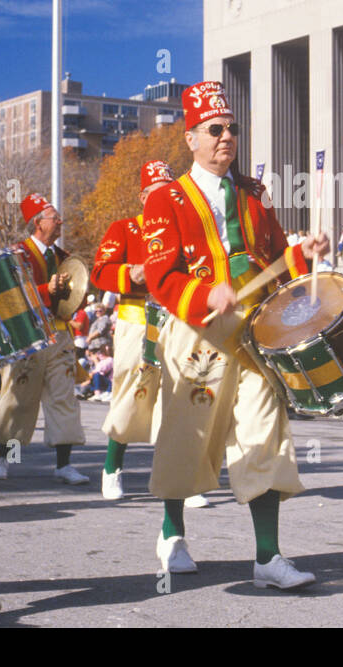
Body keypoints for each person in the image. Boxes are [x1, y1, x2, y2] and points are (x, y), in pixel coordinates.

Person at [141, 80, 329, 589]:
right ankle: (172, 529)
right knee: (188, 435)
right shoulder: (166, 199)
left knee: (265, 431)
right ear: (191, 139)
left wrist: (303, 255)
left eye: (232, 129)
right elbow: (161, 275)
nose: (226, 138)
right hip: (197, 329)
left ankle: (268, 556)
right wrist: (205, 295)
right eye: (215, 130)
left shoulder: (253, 197)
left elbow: (275, 258)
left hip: (254, 327)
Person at [0, 193, 89, 485]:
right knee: (20, 399)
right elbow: (7, 296)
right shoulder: (16, 254)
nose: (60, 222)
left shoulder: (63, 258)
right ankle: (5, 458)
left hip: (60, 335)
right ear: (37, 223)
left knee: (63, 399)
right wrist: (45, 289)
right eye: (55, 217)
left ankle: (64, 465)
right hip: (29, 336)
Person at [89, 160, 178, 502]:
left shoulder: (184, 230)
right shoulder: (125, 229)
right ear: (143, 198)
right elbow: (99, 271)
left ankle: (175, 477)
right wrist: (130, 273)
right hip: (135, 317)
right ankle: (112, 467)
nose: (164, 200)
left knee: (176, 395)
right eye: (157, 194)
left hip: (175, 319)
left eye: (169, 194)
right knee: (129, 389)